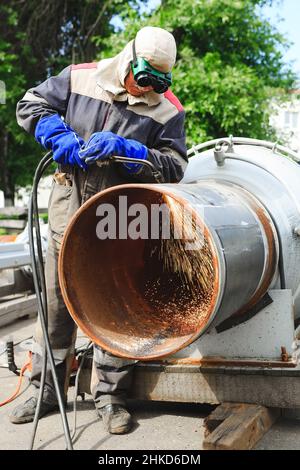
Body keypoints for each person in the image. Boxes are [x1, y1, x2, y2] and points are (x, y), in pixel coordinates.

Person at [11, 26, 187, 434]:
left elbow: (175, 166)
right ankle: (46, 389)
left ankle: (110, 396)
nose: (146, 93)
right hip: (68, 207)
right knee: (57, 303)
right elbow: (30, 103)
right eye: (143, 81)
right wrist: (56, 134)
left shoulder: (169, 110)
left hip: (121, 218)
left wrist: (134, 152)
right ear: (128, 61)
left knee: (115, 305)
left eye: (157, 86)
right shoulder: (79, 77)